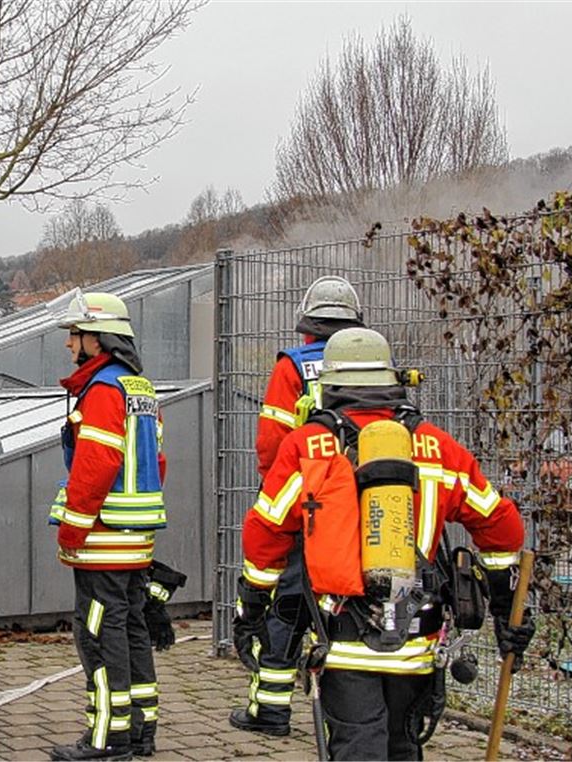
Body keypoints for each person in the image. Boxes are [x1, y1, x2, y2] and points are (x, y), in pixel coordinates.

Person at [233, 327, 536, 760]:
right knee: (403, 745)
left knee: (357, 746)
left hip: (345, 640)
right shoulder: (435, 446)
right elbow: (500, 525)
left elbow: (266, 531)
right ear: (393, 382)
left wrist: (252, 607)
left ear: (329, 385)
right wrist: (507, 607)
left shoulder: (308, 446)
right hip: (417, 642)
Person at [230, 276, 364, 737]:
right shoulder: (374, 363)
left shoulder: (294, 365)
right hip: (361, 507)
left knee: (287, 603)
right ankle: (350, 712)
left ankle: (270, 709)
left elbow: (272, 441)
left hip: (303, 503)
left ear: (307, 323)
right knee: (351, 604)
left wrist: (276, 492)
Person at [47, 290, 167, 761]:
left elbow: (95, 465)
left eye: (75, 333)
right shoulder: (141, 389)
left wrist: (72, 529)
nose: (69, 343)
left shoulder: (101, 390)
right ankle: (140, 729)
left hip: (102, 538)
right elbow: (157, 461)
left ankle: (108, 738)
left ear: (98, 338)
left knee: (98, 634)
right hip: (136, 537)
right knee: (131, 627)